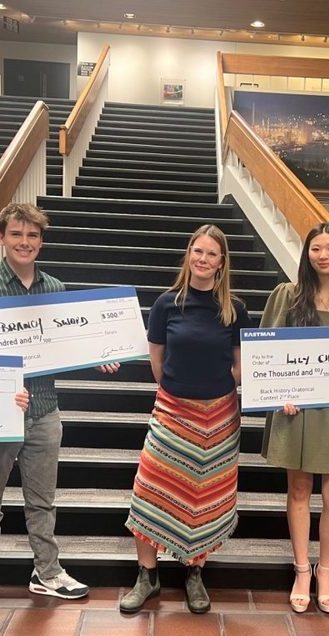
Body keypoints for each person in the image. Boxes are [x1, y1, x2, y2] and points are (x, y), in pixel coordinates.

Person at [0, 202, 104, 613]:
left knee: (43, 501)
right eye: (17, 234)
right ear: (2, 238)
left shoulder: (54, 289)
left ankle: (47, 572)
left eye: (33, 236)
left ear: (41, 241)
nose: (25, 242)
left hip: (44, 409)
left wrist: (100, 352)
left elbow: (69, 340)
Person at [120, 224, 251, 614]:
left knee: (204, 498)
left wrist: (214, 390)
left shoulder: (236, 309)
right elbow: (156, 360)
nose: (203, 259)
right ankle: (148, 576)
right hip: (173, 411)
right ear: (188, 254)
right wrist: (180, 390)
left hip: (219, 418)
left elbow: (241, 365)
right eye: (198, 251)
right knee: (148, 492)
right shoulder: (166, 304)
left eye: (212, 254)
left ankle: (194, 573)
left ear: (222, 262)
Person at [260, 222, 329, 615]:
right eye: (316, 249)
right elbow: (266, 353)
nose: (323, 256)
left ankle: (327, 569)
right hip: (298, 410)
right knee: (300, 491)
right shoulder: (287, 296)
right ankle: (302, 570)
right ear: (307, 254)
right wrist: (280, 392)